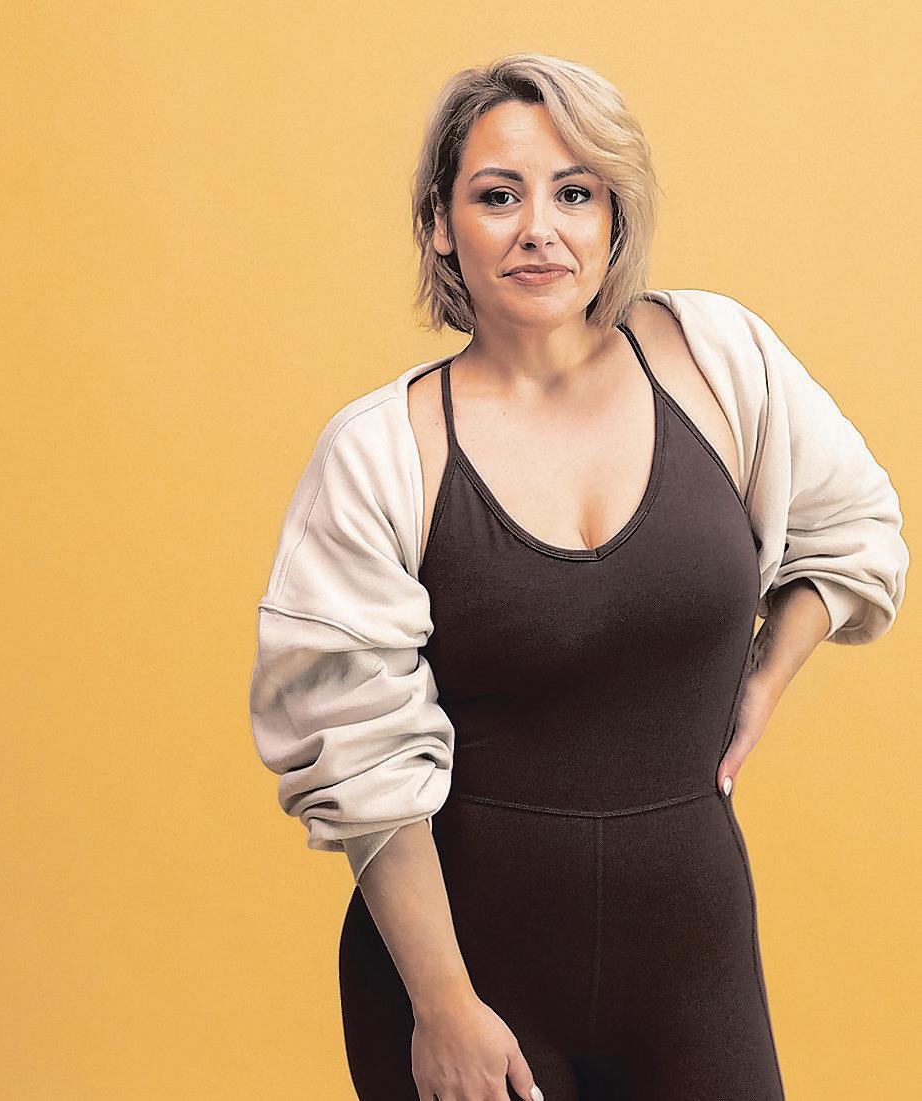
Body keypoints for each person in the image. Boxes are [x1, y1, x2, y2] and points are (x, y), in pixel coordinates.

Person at [248, 53, 909, 1101]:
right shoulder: (383, 452)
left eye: (573, 193)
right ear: (439, 223)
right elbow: (353, 751)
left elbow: (856, 527)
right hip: (465, 980)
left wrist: (763, 678)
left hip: (693, 962)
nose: (539, 230)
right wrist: (443, 1006)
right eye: (496, 196)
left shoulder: (717, 360)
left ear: (613, 214)